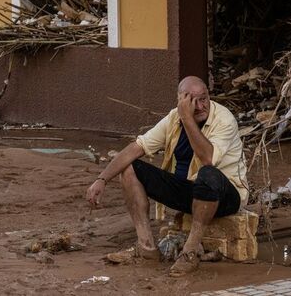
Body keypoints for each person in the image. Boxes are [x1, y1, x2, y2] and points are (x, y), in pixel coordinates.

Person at [85, 76, 248, 276]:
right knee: (129, 168)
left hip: (225, 196)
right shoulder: (173, 118)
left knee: (208, 173)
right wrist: (102, 179)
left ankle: (189, 253)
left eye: (203, 99)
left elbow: (208, 158)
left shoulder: (224, 119)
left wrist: (188, 119)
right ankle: (146, 249)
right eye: (191, 101)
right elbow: (137, 147)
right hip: (190, 190)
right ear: (180, 102)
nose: (199, 106)